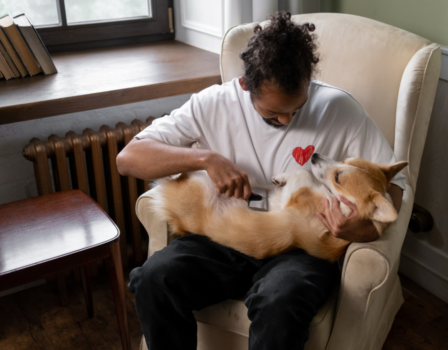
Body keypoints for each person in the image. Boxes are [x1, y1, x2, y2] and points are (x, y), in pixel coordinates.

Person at [117, 12, 406, 350]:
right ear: (244, 86)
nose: (286, 119)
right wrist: (205, 158)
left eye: (296, 109)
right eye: (272, 113)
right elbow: (129, 159)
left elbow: (397, 186)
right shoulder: (213, 103)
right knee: (154, 279)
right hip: (222, 237)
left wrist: (363, 230)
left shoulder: (341, 109)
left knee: (281, 302)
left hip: (300, 246)